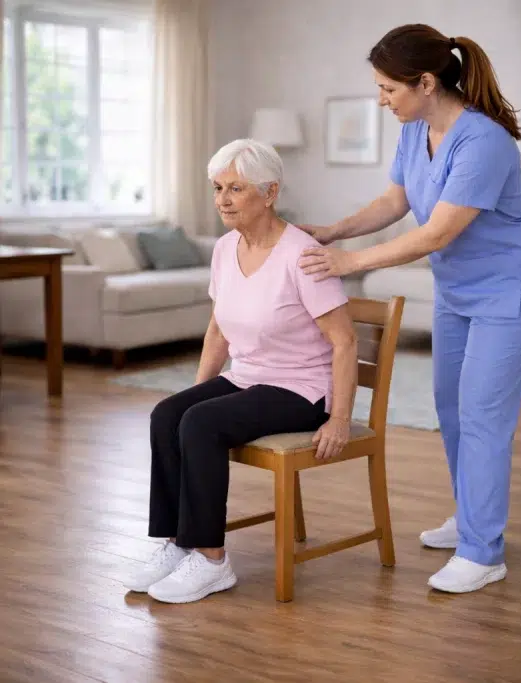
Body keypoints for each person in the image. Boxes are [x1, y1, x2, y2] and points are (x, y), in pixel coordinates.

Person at [297, 23, 521, 594]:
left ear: (426, 82)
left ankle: (484, 551)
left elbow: (436, 233)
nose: (382, 99)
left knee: (482, 416)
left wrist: (352, 264)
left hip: (506, 293)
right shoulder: (417, 128)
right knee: (450, 410)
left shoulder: (483, 141)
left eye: (388, 88)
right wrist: (333, 231)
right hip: (458, 293)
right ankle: (469, 519)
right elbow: (394, 200)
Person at [123, 139, 359, 604]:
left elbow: (345, 341)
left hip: (301, 387)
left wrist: (340, 418)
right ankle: (175, 543)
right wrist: (198, 391)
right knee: (169, 414)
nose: (222, 200)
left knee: (202, 423)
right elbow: (218, 330)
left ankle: (212, 562)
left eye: (235, 188)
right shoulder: (225, 249)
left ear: (269, 193)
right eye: (217, 188)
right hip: (247, 377)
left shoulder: (302, 254)